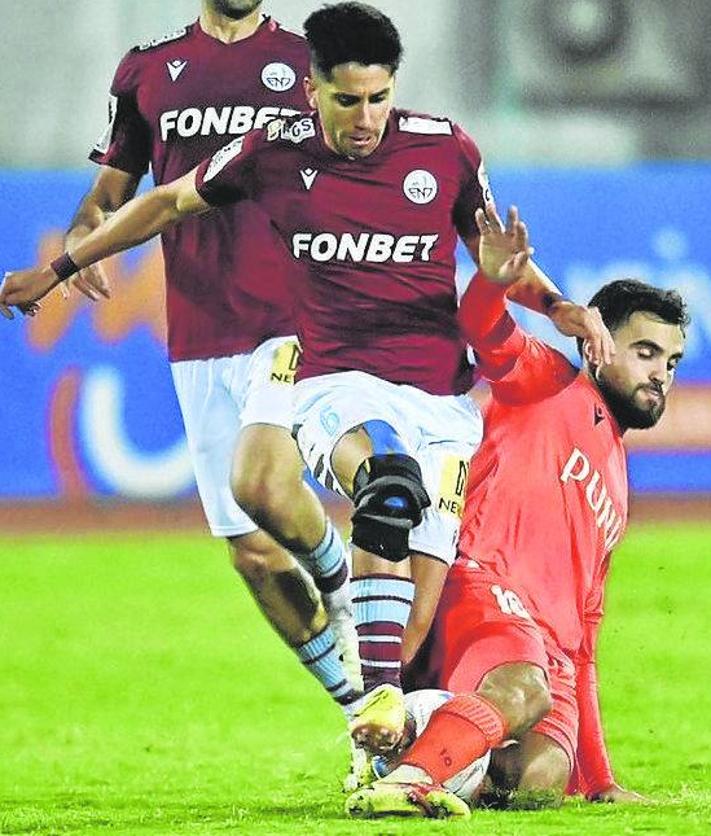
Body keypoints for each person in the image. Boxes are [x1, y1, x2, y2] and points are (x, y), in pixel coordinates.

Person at [0, 1, 613, 762]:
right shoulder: (218, 114)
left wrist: (559, 307)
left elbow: (499, 262)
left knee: (361, 564)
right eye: (348, 100)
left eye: (377, 99)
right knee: (318, 522)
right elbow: (149, 197)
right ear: (317, 90)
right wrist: (65, 260)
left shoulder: (418, 131)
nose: (364, 117)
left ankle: (389, 710)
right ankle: (376, 712)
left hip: (369, 363)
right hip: (266, 356)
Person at [6, 1, 363, 717]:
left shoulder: (309, 62)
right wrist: (85, 232)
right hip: (201, 329)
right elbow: (115, 190)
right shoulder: (146, 69)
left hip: (293, 314)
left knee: (263, 480)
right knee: (252, 554)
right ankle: (363, 712)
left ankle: (353, 595)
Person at [345, 203, 687, 818]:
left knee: (540, 776)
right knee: (522, 691)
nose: (660, 374)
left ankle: (415, 735)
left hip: (547, 647)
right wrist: (493, 278)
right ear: (597, 342)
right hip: (482, 590)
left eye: (670, 361)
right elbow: (482, 326)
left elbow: (584, 636)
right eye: (644, 351)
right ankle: (410, 777)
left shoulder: (617, 477)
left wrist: (600, 776)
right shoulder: (550, 382)